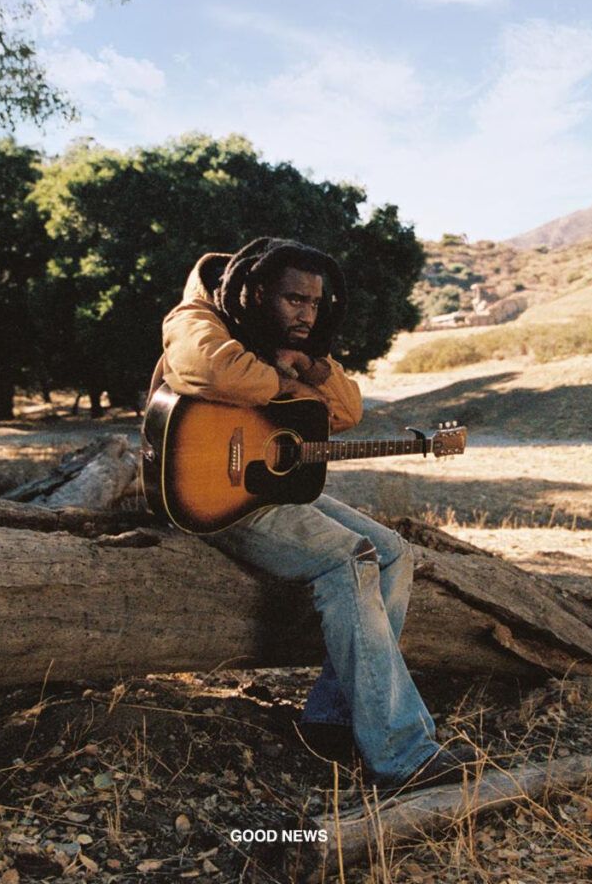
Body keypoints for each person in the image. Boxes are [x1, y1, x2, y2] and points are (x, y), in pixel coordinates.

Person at [152, 237, 472, 792]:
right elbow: (207, 368)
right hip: (207, 494)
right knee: (350, 558)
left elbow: (346, 411)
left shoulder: (294, 339)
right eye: (294, 299)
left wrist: (312, 369)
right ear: (257, 293)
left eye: (316, 303)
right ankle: (403, 755)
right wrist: (282, 382)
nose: (307, 313)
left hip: (266, 489)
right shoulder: (198, 316)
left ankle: (331, 722)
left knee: (393, 552)